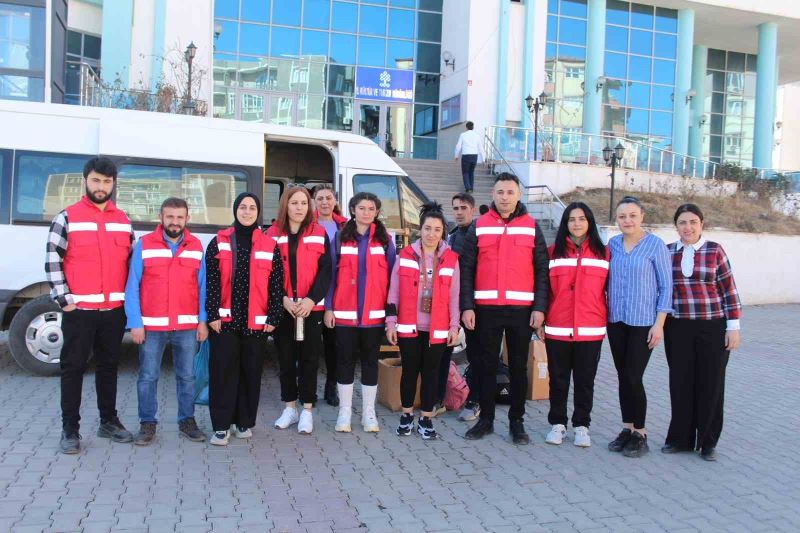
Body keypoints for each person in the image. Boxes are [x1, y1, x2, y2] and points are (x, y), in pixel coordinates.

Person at [46, 157, 135, 454]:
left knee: (108, 367)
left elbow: (132, 264)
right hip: (79, 312)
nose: (101, 186)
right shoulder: (67, 217)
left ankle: (108, 421)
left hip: (113, 312)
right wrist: (65, 301)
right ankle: (70, 429)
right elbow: (52, 260)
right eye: (96, 180)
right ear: (85, 180)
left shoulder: (123, 220)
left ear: (113, 184)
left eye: (107, 182)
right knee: (73, 369)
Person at [459, 172, 550, 445]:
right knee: (485, 366)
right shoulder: (479, 225)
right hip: (486, 309)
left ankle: (516, 422)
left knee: (519, 368)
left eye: (510, 192)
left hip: (521, 311)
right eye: (500, 192)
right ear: (492, 194)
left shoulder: (532, 226)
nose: (505, 197)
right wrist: (467, 306)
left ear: (519, 195)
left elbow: (542, 270)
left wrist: (540, 308)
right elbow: (466, 268)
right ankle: (486, 420)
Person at [125, 197, 208, 445]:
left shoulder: (195, 246)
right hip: (152, 327)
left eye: (179, 217)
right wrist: (135, 322)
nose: (175, 222)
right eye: (170, 216)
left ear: (187, 218)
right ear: (161, 217)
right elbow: (132, 286)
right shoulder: (144, 244)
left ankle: (187, 421)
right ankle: (147, 424)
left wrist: (203, 321)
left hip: (186, 326)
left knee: (187, 377)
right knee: (148, 376)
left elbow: (203, 288)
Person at [663, 204, 742, 461]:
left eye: (693, 222)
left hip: (712, 326)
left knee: (711, 383)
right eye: (683, 222)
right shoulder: (668, 252)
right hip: (677, 327)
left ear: (701, 224)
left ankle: (708, 442)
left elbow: (729, 289)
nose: (688, 227)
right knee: (680, 382)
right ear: (676, 226)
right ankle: (680, 439)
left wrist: (733, 327)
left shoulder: (714, 250)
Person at [205, 192, 284, 446]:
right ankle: (220, 426)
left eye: (252, 208)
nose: (247, 211)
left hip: (257, 323)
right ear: (235, 210)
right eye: (242, 207)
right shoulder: (219, 241)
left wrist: (273, 315)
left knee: (250, 373)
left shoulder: (270, 245)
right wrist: (213, 313)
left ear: (258, 212)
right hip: (225, 323)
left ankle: (243, 422)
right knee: (222, 373)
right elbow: (212, 281)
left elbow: (276, 285)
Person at [386, 202, 460, 440]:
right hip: (409, 326)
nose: (431, 234)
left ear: (443, 232)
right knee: (409, 372)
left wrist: (453, 326)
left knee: (431, 374)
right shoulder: (405, 255)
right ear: (420, 229)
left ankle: (426, 419)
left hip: (438, 329)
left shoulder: (451, 259)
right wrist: (391, 323)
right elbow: (393, 292)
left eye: (437, 230)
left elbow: (455, 296)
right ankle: (407, 416)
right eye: (427, 228)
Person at [606, 196, 672, 458]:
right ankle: (627, 428)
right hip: (617, 320)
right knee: (623, 377)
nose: (627, 220)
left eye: (632, 215)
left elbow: (667, 287)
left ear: (642, 216)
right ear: (616, 220)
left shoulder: (655, 246)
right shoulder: (612, 245)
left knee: (634, 376)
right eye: (622, 216)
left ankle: (641, 433)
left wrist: (659, 324)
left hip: (643, 323)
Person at [325, 192, 396, 433]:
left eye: (371, 208)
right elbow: (331, 277)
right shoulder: (339, 238)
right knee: (344, 363)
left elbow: (392, 283)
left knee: (370, 364)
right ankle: (344, 412)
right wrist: (329, 308)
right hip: (344, 314)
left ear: (376, 212)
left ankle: (369, 413)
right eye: (362, 208)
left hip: (374, 317)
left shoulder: (385, 240)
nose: (366, 212)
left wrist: (390, 317)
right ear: (352, 210)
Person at [543, 203, 609, 448]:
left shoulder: (604, 254)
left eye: (582, 219)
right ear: (565, 223)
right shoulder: (553, 253)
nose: (577, 223)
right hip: (558, 328)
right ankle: (557, 424)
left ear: (589, 222)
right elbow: (544, 290)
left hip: (590, 330)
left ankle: (582, 425)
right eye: (572, 219)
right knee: (558, 380)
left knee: (585, 381)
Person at [269, 187, 332, 434]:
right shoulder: (272, 234)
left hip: (310, 309)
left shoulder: (319, 232)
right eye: (294, 202)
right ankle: (289, 408)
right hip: (284, 308)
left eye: (304, 203)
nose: (299, 207)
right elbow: (268, 273)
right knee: (285, 359)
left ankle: (306, 410)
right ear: (285, 205)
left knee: (309, 359)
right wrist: (283, 299)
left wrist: (311, 300)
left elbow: (326, 270)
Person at [446, 192, 481, 422]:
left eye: (463, 208)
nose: (459, 212)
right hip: (452, 302)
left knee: (476, 354)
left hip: (473, 303)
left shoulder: (477, 233)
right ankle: (449, 395)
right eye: (456, 208)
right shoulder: (452, 234)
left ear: (473, 209)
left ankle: (475, 401)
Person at [313, 184, 348, 406]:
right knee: (310, 346)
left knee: (334, 346)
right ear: (314, 202)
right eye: (320, 199)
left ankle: (331, 387)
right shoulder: (308, 224)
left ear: (335, 201)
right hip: (314, 294)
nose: (325, 202)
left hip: (337, 295)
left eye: (328, 198)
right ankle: (307, 388)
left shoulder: (345, 227)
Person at [454, 121, 484, 193]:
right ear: (473, 127)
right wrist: (484, 159)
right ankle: (471, 187)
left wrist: (456, 155)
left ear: (466, 127)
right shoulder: (477, 136)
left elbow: (458, 146)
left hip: (466, 156)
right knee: (471, 172)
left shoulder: (463, 135)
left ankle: (468, 188)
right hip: (474, 156)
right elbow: (481, 148)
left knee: (465, 172)